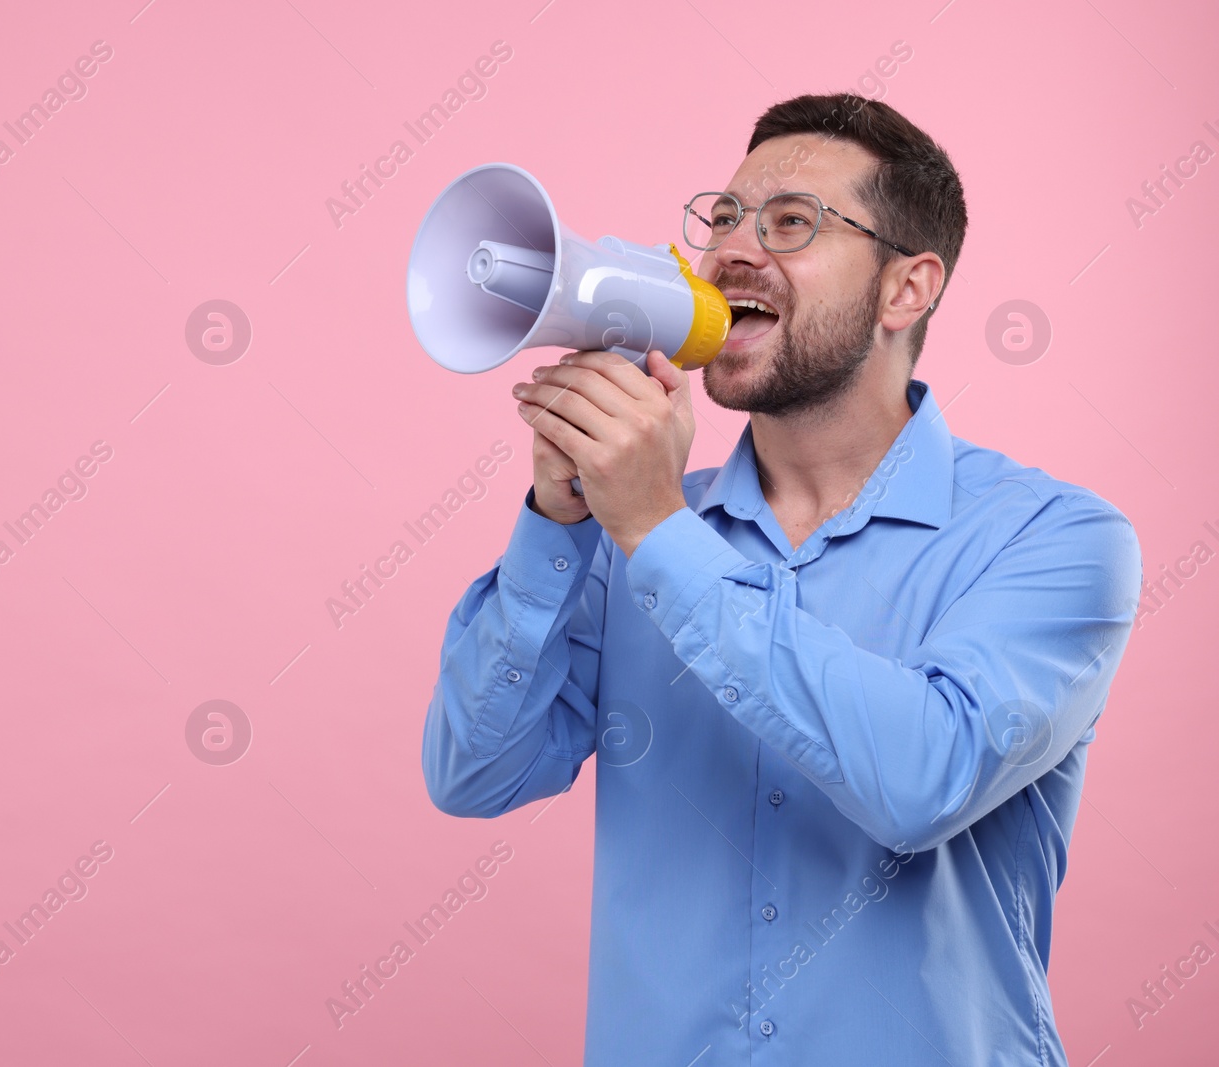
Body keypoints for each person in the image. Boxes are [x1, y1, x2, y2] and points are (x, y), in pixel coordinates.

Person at [421, 92, 1142, 1066]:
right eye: (722, 216)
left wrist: (658, 528)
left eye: (791, 222)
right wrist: (561, 520)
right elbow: (473, 771)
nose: (729, 250)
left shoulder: (1056, 539)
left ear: (906, 289)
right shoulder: (625, 529)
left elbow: (921, 779)